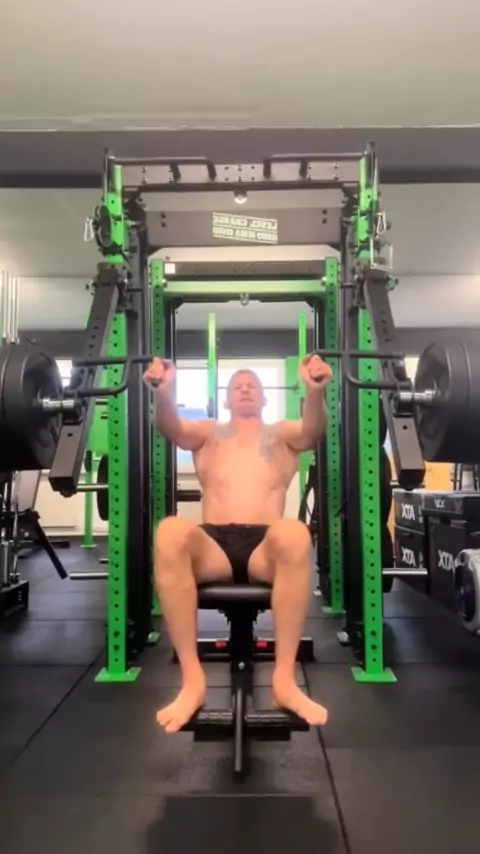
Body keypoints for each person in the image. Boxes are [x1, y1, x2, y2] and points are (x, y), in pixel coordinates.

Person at [143, 354, 332, 734]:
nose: (245, 389)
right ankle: (192, 682)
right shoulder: (208, 432)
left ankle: (284, 681)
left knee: (295, 533)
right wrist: (163, 394)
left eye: (253, 386)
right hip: (214, 545)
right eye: (237, 386)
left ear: (264, 398)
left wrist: (314, 393)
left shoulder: (281, 434)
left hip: (266, 547)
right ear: (226, 399)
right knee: (169, 531)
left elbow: (313, 431)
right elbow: (171, 427)